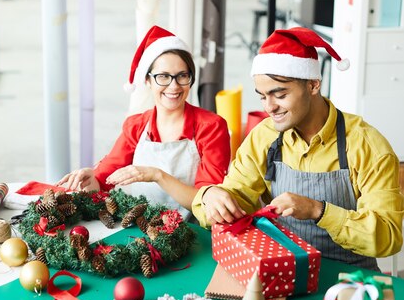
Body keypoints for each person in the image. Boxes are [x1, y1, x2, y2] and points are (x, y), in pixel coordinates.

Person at [192, 26, 404, 269]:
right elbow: (236, 198)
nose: (269, 107)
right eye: (262, 96)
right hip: (286, 272)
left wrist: (318, 210)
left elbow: (388, 237)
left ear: (313, 85)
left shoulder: (367, 146)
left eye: (279, 95)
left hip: (351, 279)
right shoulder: (264, 136)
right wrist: (210, 196)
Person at [57, 25, 231, 220]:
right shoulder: (136, 126)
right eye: (163, 76)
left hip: (195, 233)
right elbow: (105, 177)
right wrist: (91, 179)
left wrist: (157, 175)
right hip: (142, 231)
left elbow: (206, 201)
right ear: (148, 81)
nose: (173, 86)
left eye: (182, 75)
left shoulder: (211, 127)